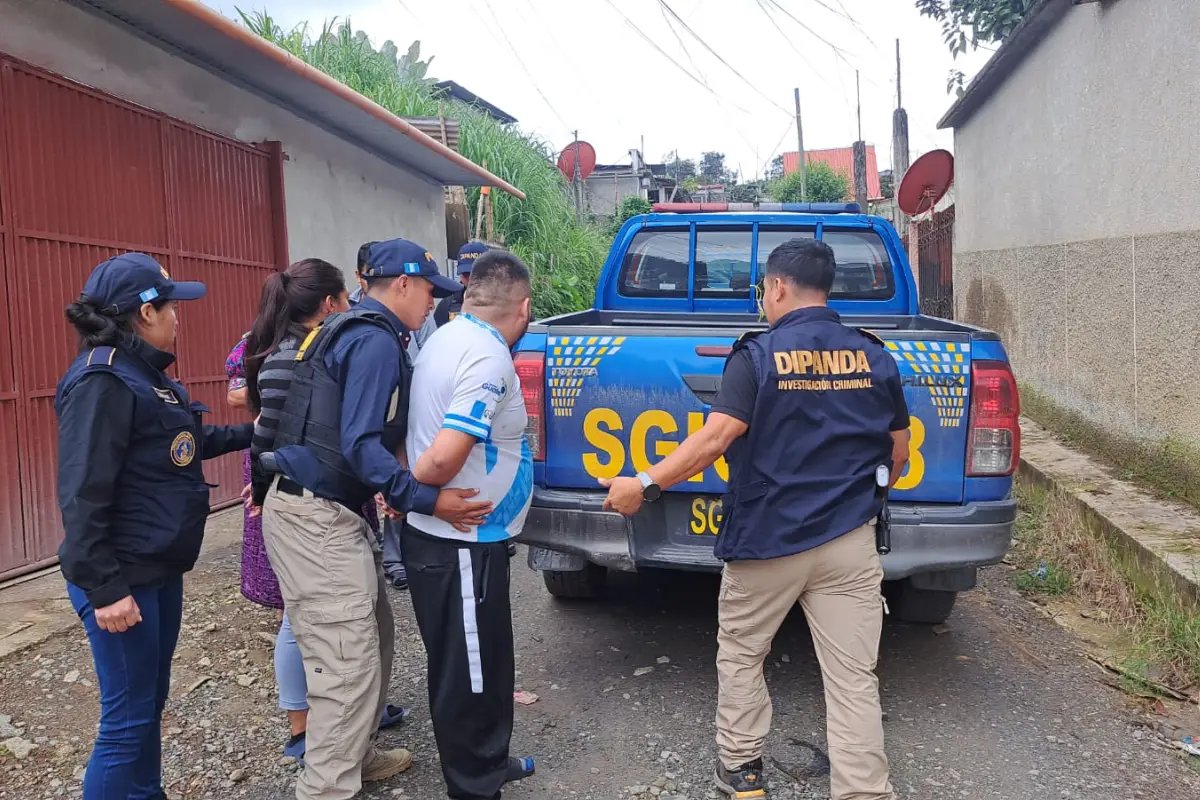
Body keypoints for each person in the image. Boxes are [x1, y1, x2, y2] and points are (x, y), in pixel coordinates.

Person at [599, 238, 910, 800]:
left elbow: (716, 438)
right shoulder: (874, 354)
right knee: (852, 678)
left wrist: (642, 485)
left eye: (764, 290)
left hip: (769, 539)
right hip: (850, 541)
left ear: (778, 287)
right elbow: (899, 448)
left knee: (744, 654)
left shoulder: (757, 356)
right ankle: (864, 791)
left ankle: (742, 775)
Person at [258, 238, 493, 800]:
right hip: (314, 518)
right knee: (345, 662)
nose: (434, 304)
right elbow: (360, 445)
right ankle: (327, 787)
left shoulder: (355, 329)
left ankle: (355, 756)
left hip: (327, 509)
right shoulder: (375, 340)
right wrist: (428, 499)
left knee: (371, 640)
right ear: (404, 284)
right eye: (431, 292)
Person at [55, 252, 254, 800]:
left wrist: (255, 433)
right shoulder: (103, 381)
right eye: (170, 307)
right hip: (123, 574)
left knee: (148, 707)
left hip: (157, 566)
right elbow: (81, 492)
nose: (177, 317)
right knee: (124, 723)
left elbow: (184, 447)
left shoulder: (144, 377)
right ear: (144, 313)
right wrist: (106, 587)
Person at [227, 259, 409, 765]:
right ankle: (317, 750)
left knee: (349, 630)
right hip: (311, 503)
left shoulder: (301, 347)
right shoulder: (300, 353)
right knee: (330, 640)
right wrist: (263, 486)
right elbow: (274, 431)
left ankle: (353, 750)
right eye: (345, 300)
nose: (350, 308)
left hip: (323, 497)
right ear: (330, 304)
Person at [401, 249, 537, 799]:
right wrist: (422, 492)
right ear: (524, 308)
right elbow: (438, 460)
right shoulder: (487, 358)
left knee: (483, 656)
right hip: (459, 539)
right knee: (470, 670)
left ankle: (488, 758)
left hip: (471, 539)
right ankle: (474, 784)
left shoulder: (449, 335)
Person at [432, 241, 489, 328]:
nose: (472, 281)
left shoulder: (505, 304)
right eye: (466, 275)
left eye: (478, 274)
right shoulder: (447, 306)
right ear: (460, 276)